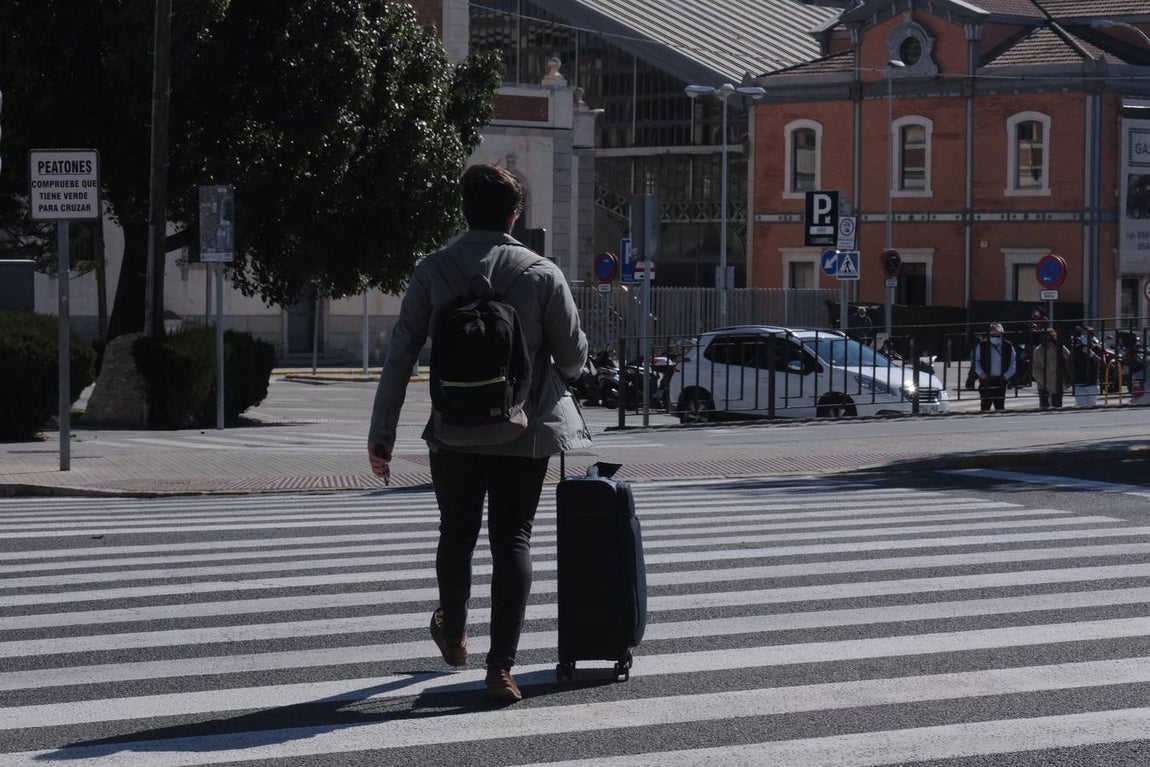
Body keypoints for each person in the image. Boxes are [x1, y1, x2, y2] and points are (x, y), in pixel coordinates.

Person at [367, 164, 591, 703]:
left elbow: (401, 353)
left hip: (452, 432)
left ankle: (453, 628)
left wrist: (383, 434)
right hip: (526, 432)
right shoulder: (542, 273)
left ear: (463, 210)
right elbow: (574, 359)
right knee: (513, 538)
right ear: (516, 215)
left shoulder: (433, 270)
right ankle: (501, 668)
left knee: (456, 533)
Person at [973, 322, 1016, 411]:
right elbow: (976, 361)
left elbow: (1013, 363)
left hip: (1000, 380)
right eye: (993, 335)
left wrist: (1006, 376)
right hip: (986, 380)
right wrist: (980, 372)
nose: (995, 338)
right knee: (985, 406)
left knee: (1000, 406)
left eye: (998, 335)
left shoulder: (1008, 345)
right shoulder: (982, 345)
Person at [1030, 328, 1068, 409]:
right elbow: (1035, 369)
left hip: (1058, 382)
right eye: (1045, 340)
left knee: (1057, 407)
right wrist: (1045, 382)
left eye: (1050, 340)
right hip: (1043, 383)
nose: (1048, 342)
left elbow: (1070, 359)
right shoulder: (1038, 350)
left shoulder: (1060, 348)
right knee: (1044, 408)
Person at [1068, 325, 1101, 407]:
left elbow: (1102, 363)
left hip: (1092, 381)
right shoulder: (1077, 348)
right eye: (1084, 334)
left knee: (1092, 405)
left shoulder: (1096, 348)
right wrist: (1071, 376)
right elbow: (1069, 362)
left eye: (1088, 335)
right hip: (1079, 382)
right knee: (1081, 404)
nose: (1085, 336)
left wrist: (1091, 353)